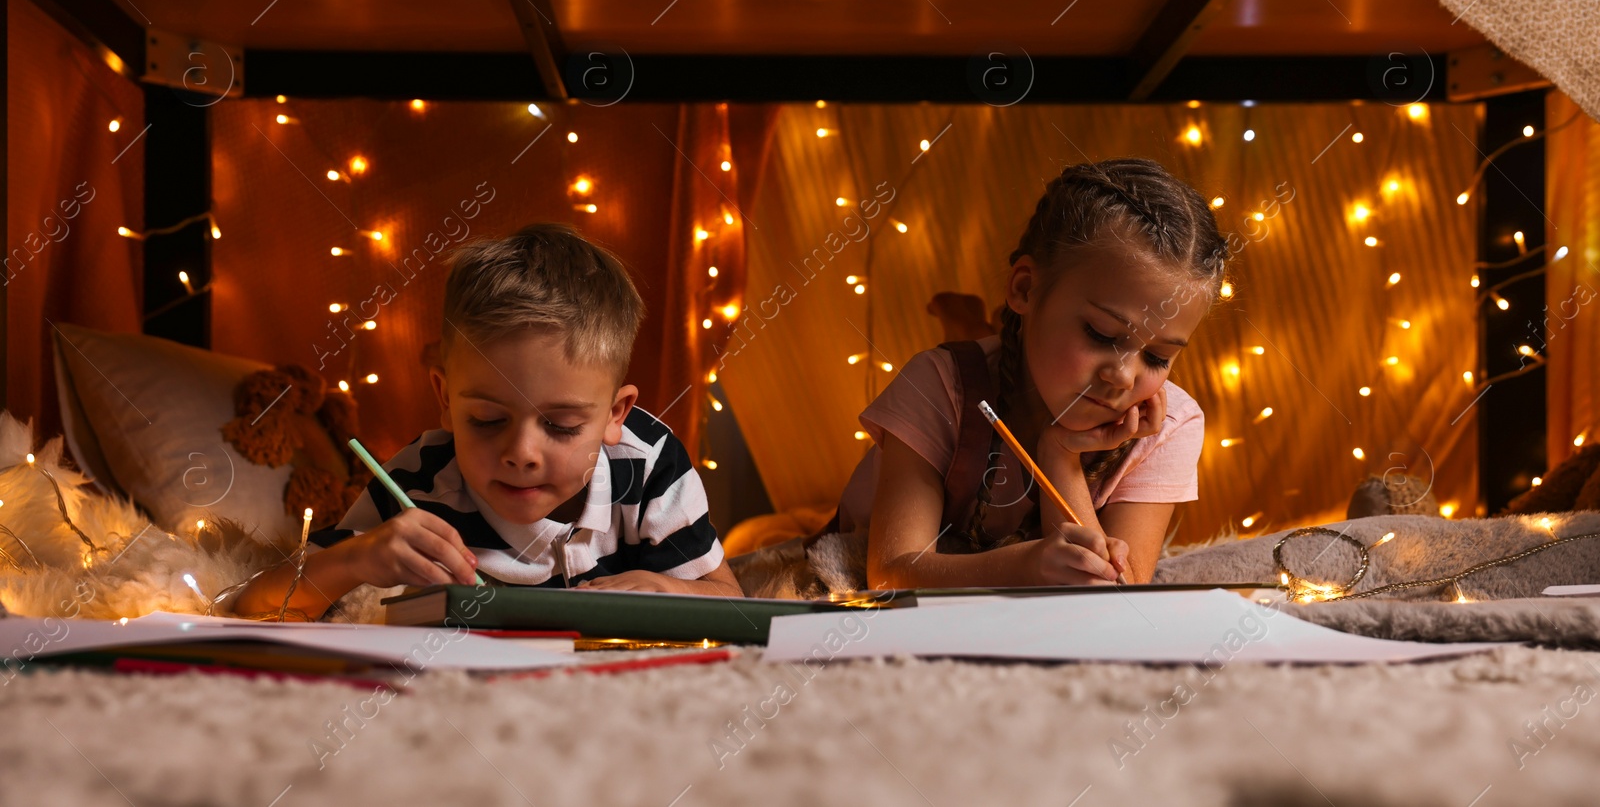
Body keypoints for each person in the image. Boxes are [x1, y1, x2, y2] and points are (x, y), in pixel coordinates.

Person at [235, 223, 741, 620]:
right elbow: (256, 608)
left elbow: (734, 602)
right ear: (445, 398)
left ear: (615, 415)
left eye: (562, 426)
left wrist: (670, 588)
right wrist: (355, 559)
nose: (521, 452)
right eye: (485, 418)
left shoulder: (648, 462)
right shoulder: (419, 480)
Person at [843, 157, 1227, 589]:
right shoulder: (936, 385)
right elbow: (890, 573)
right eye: (1101, 334)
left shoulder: (1169, 423)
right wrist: (1021, 567)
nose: (1122, 377)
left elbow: (1117, 592)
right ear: (1024, 288)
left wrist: (1061, 454)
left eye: (1157, 357)